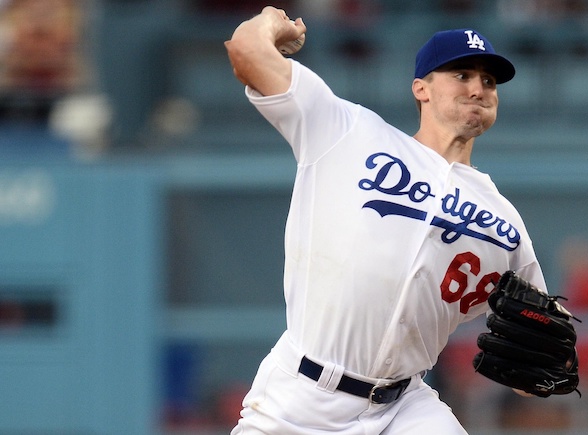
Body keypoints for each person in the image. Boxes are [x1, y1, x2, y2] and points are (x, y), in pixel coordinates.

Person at [225, 6, 547, 434]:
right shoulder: (349, 131)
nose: (479, 88)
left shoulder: (504, 223)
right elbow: (245, 51)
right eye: (462, 75)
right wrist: (270, 21)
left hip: (403, 408)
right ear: (421, 89)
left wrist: (548, 361)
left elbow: (537, 352)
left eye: (489, 81)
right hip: (300, 398)